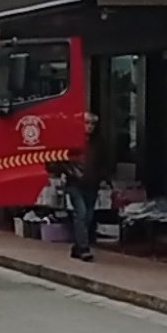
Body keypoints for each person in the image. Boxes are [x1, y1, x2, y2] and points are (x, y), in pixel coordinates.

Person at [54, 111, 110, 261]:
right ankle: (84, 247)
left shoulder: (98, 142)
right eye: (87, 123)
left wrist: (103, 177)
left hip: (92, 183)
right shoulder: (71, 140)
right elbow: (61, 159)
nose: (90, 127)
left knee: (88, 215)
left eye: (92, 124)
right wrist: (67, 173)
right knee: (82, 212)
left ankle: (78, 246)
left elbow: (103, 161)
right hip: (75, 183)